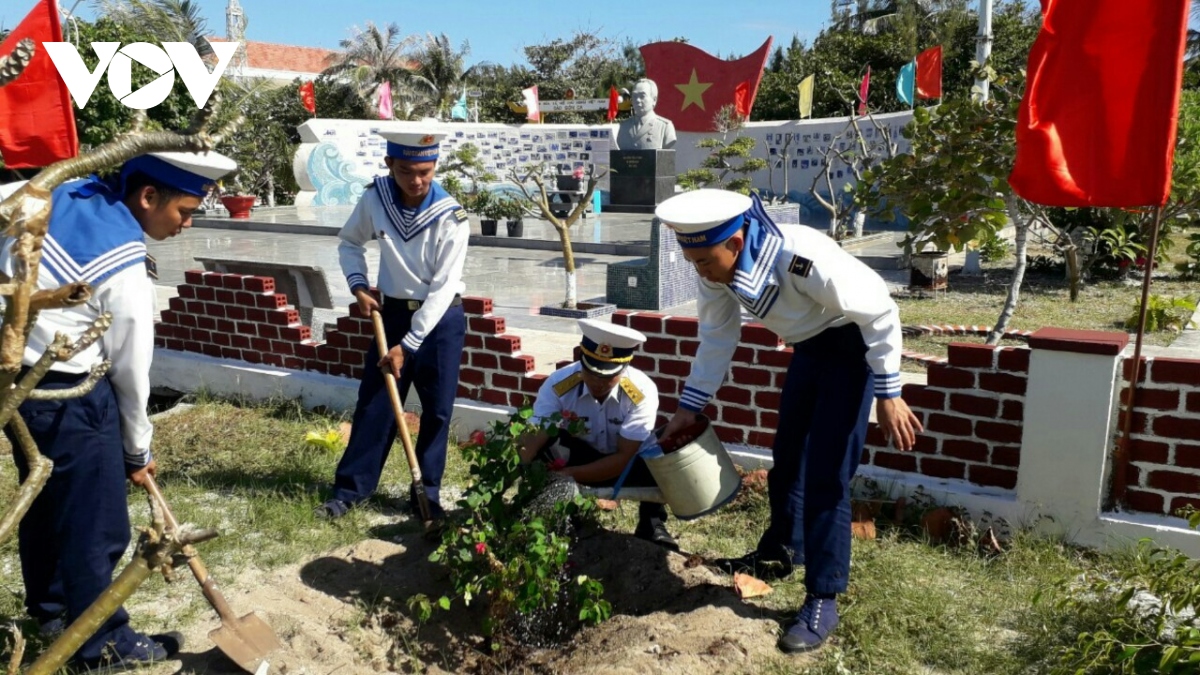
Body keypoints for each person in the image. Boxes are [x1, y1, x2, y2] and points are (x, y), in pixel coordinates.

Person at [655, 189, 923, 653]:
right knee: (788, 459)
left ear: (736, 244)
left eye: (703, 260)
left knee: (827, 477)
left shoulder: (799, 256)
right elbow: (718, 336)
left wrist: (889, 392)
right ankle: (781, 550)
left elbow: (878, 310)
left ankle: (823, 597)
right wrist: (689, 407)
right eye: (691, 259)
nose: (698, 269)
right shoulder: (717, 264)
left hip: (852, 348)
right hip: (810, 351)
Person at [0, 150, 237, 670]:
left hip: (22, 389)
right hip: (75, 395)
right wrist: (138, 447)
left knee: (45, 505)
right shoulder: (123, 257)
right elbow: (131, 370)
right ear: (148, 196)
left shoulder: (64, 193)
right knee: (95, 525)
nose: (188, 223)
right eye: (184, 211)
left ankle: (54, 611)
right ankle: (99, 643)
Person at [318, 130, 469, 521]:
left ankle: (426, 495)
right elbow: (349, 242)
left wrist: (412, 342)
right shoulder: (375, 198)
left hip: (439, 321)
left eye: (425, 171)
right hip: (393, 316)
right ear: (389, 165)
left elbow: (444, 286)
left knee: (437, 411)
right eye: (406, 171)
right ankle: (350, 490)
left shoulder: (451, 216)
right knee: (376, 403)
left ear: (436, 166)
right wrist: (357, 284)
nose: (416, 180)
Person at [520, 319, 676, 550]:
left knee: (661, 457)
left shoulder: (641, 391)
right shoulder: (558, 385)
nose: (597, 382)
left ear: (623, 370)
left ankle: (652, 524)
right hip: (580, 453)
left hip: (627, 463)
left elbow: (623, 457)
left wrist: (570, 475)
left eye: (606, 377)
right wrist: (518, 467)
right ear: (581, 362)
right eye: (591, 373)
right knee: (544, 446)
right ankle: (562, 516)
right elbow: (534, 438)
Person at [614, 79, 677, 151]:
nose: (637, 100)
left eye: (642, 96)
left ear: (654, 100)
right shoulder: (624, 126)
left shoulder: (665, 127)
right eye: (634, 96)